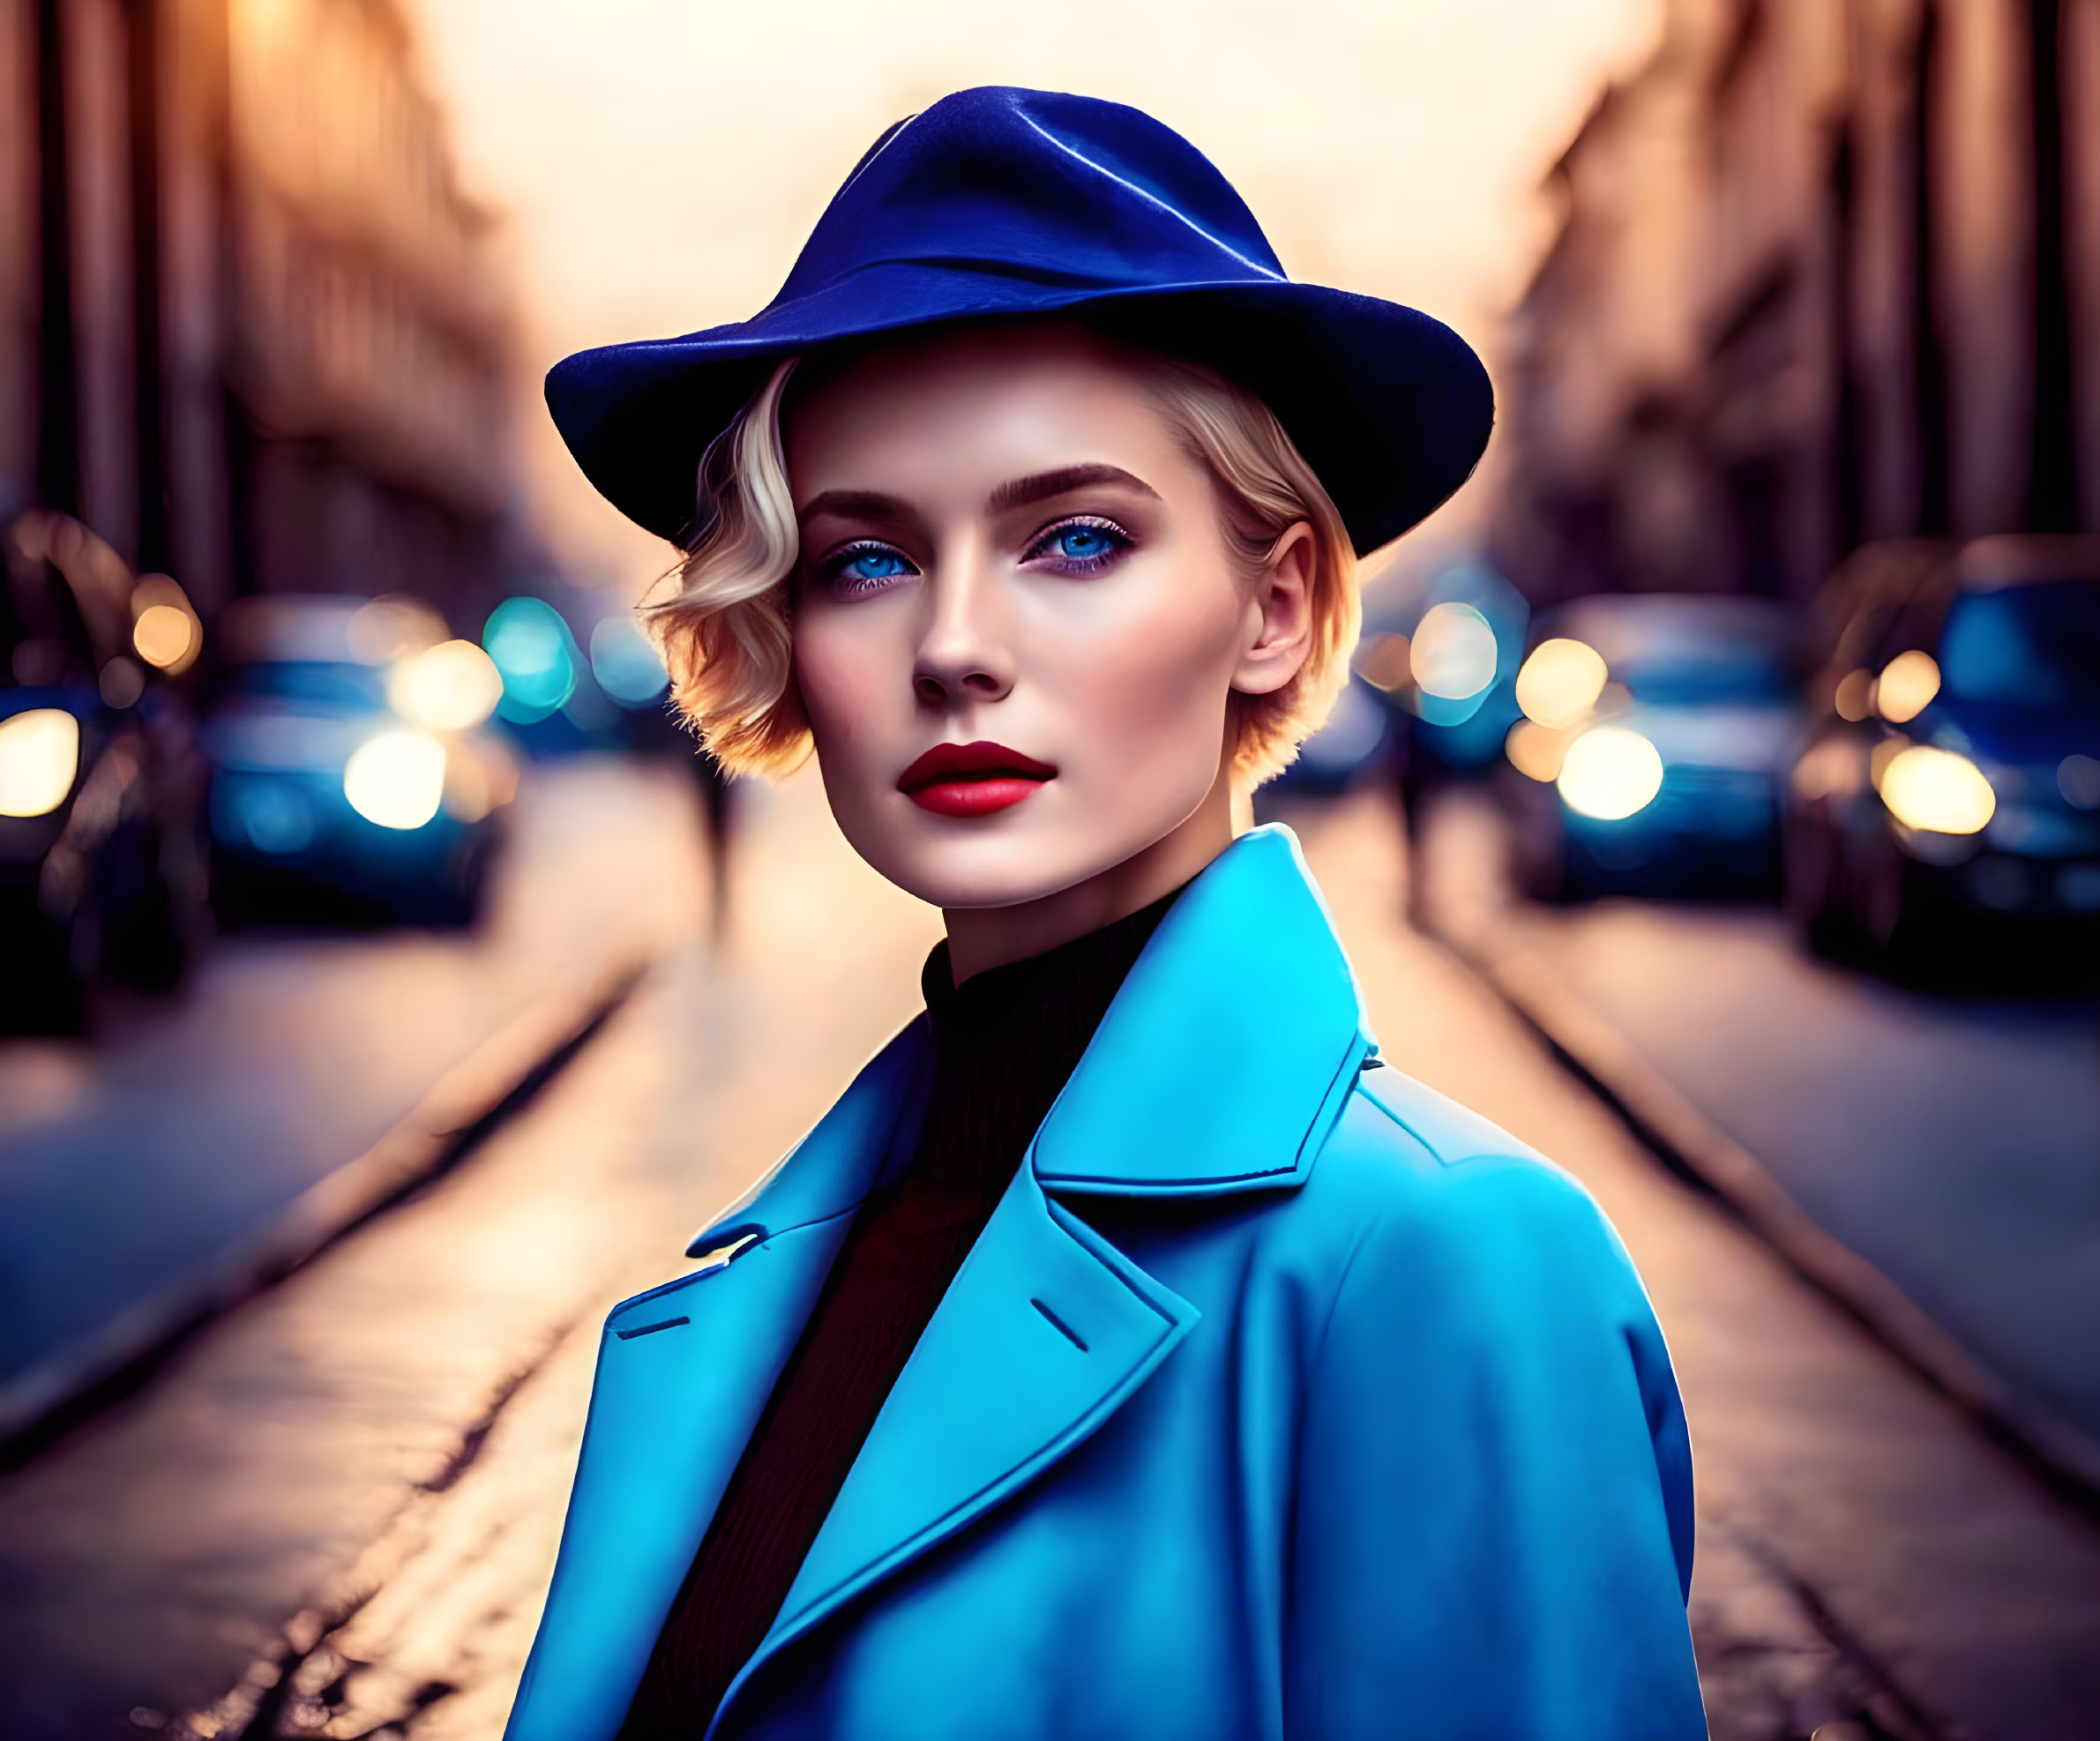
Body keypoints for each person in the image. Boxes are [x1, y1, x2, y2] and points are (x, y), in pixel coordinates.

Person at [505, 87, 1704, 1741]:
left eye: (1073, 538)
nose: (953, 646)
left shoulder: (1442, 1257)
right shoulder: (806, 1253)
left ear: (1274, 608)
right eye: (864, 560)